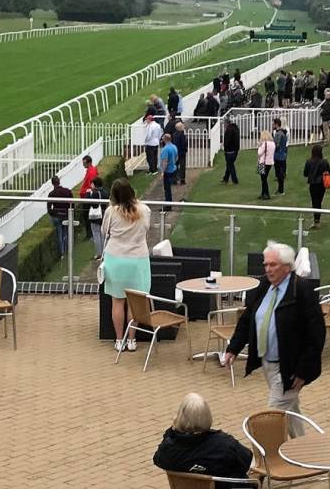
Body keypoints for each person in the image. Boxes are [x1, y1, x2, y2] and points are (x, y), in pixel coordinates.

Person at [224, 243, 327, 438]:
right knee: (290, 409)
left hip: (290, 367)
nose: (268, 269)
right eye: (266, 265)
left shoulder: (302, 290)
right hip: (267, 363)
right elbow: (248, 318)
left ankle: (264, 460)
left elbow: (316, 333)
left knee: (271, 416)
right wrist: (233, 348)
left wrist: (303, 370)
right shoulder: (264, 286)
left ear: (287, 267)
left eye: (273, 265)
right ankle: (303, 449)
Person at [153, 393, 254, 486]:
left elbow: (158, 460)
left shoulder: (169, 447)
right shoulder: (224, 444)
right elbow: (246, 460)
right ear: (207, 416)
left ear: (180, 416)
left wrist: (173, 430)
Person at [103, 179, 155, 353]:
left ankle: (119, 340)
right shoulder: (144, 209)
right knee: (134, 303)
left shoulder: (111, 212)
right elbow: (147, 228)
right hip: (137, 260)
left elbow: (105, 231)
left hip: (115, 259)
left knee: (117, 301)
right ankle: (132, 340)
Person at [302, 145, 330, 228]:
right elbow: (329, 172)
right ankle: (317, 220)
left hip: (313, 184)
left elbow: (305, 173)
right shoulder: (324, 162)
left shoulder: (309, 161)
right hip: (322, 184)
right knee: (319, 201)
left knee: (315, 202)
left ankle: (316, 221)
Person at [48, 176, 74, 258]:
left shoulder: (51, 194)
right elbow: (72, 203)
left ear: (52, 184)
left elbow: (49, 207)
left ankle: (62, 253)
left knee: (59, 234)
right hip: (66, 214)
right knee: (66, 232)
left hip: (57, 215)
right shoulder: (67, 191)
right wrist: (70, 212)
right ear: (59, 181)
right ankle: (67, 249)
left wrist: (53, 213)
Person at [220, 118, 242, 185]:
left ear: (227, 123)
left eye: (224, 124)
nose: (223, 125)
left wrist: (225, 146)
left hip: (230, 151)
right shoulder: (236, 129)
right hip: (235, 150)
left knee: (230, 165)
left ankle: (235, 180)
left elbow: (227, 141)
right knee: (229, 165)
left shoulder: (229, 130)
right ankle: (226, 178)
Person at [256, 129, 276, 200]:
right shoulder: (273, 143)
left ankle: (266, 194)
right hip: (270, 162)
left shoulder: (264, 143)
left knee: (263, 179)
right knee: (264, 179)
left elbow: (259, 153)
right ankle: (263, 193)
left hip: (263, 162)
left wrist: (259, 146)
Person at [160, 133, 180, 203]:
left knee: (167, 189)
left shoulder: (165, 149)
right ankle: (169, 202)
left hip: (167, 171)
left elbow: (165, 161)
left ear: (165, 139)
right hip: (173, 169)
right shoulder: (174, 147)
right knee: (169, 188)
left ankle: (168, 204)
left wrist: (162, 171)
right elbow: (177, 157)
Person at [272, 120, 290, 194]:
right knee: (280, 173)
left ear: (276, 125)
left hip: (278, 156)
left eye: (273, 124)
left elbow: (277, 145)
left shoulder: (278, 134)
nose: (272, 125)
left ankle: (280, 189)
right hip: (282, 155)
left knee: (279, 173)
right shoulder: (283, 133)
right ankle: (280, 189)